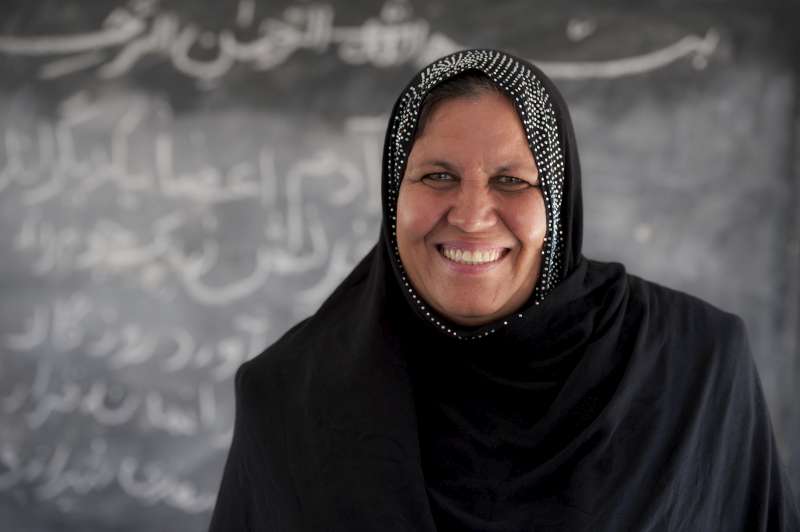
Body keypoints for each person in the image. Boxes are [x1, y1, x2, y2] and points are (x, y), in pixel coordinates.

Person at [208, 49, 799, 531]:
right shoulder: (289, 397)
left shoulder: (692, 366)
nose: (470, 215)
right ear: (394, 196)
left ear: (558, 206)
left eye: (512, 181)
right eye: (437, 176)